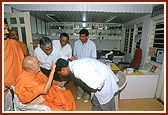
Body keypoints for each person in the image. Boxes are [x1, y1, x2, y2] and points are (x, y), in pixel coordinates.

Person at [73, 29, 97, 103]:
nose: (81, 38)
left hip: (88, 67)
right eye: (80, 36)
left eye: (83, 36)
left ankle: (87, 95)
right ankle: (80, 94)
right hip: (79, 66)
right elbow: (75, 55)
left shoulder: (92, 44)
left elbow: (94, 58)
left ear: (87, 36)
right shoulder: (76, 43)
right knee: (78, 82)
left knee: (87, 82)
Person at [4, 20, 24, 95]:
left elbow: (21, 61)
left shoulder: (13, 44)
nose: (7, 32)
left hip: (14, 83)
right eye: (3, 29)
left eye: (7, 29)